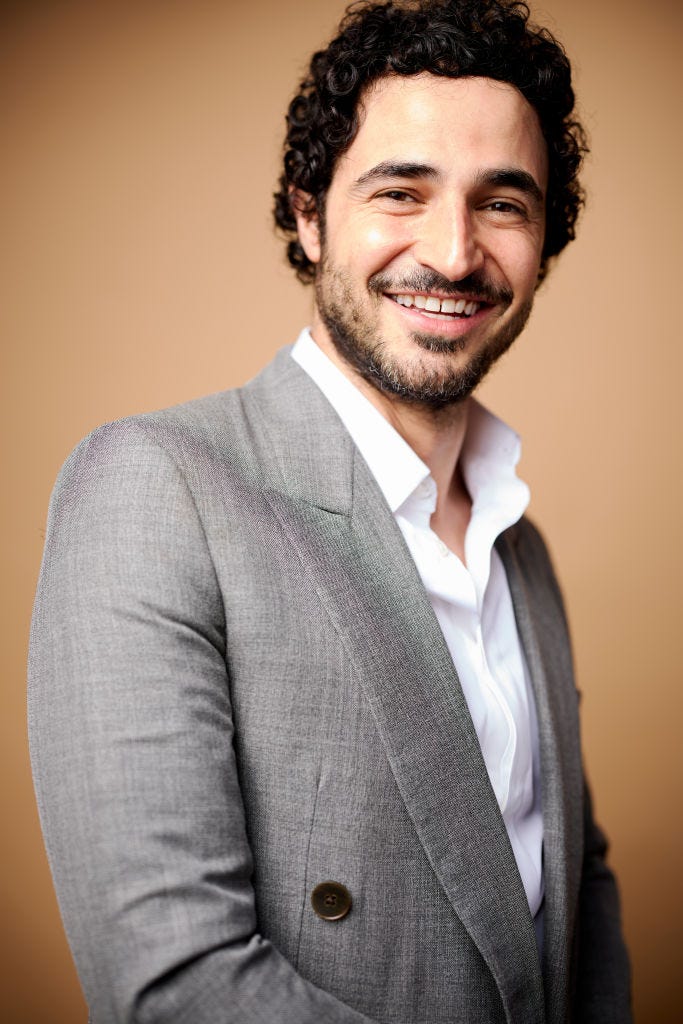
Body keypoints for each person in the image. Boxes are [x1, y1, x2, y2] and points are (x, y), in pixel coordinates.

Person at [28, 1, 631, 1021]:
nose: (450, 252)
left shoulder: (514, 540)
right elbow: (173, 985)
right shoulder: (151, 487)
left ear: (543, 241)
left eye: (502, 203)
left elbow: (571, 888)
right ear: (308, 213)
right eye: (400, 191)